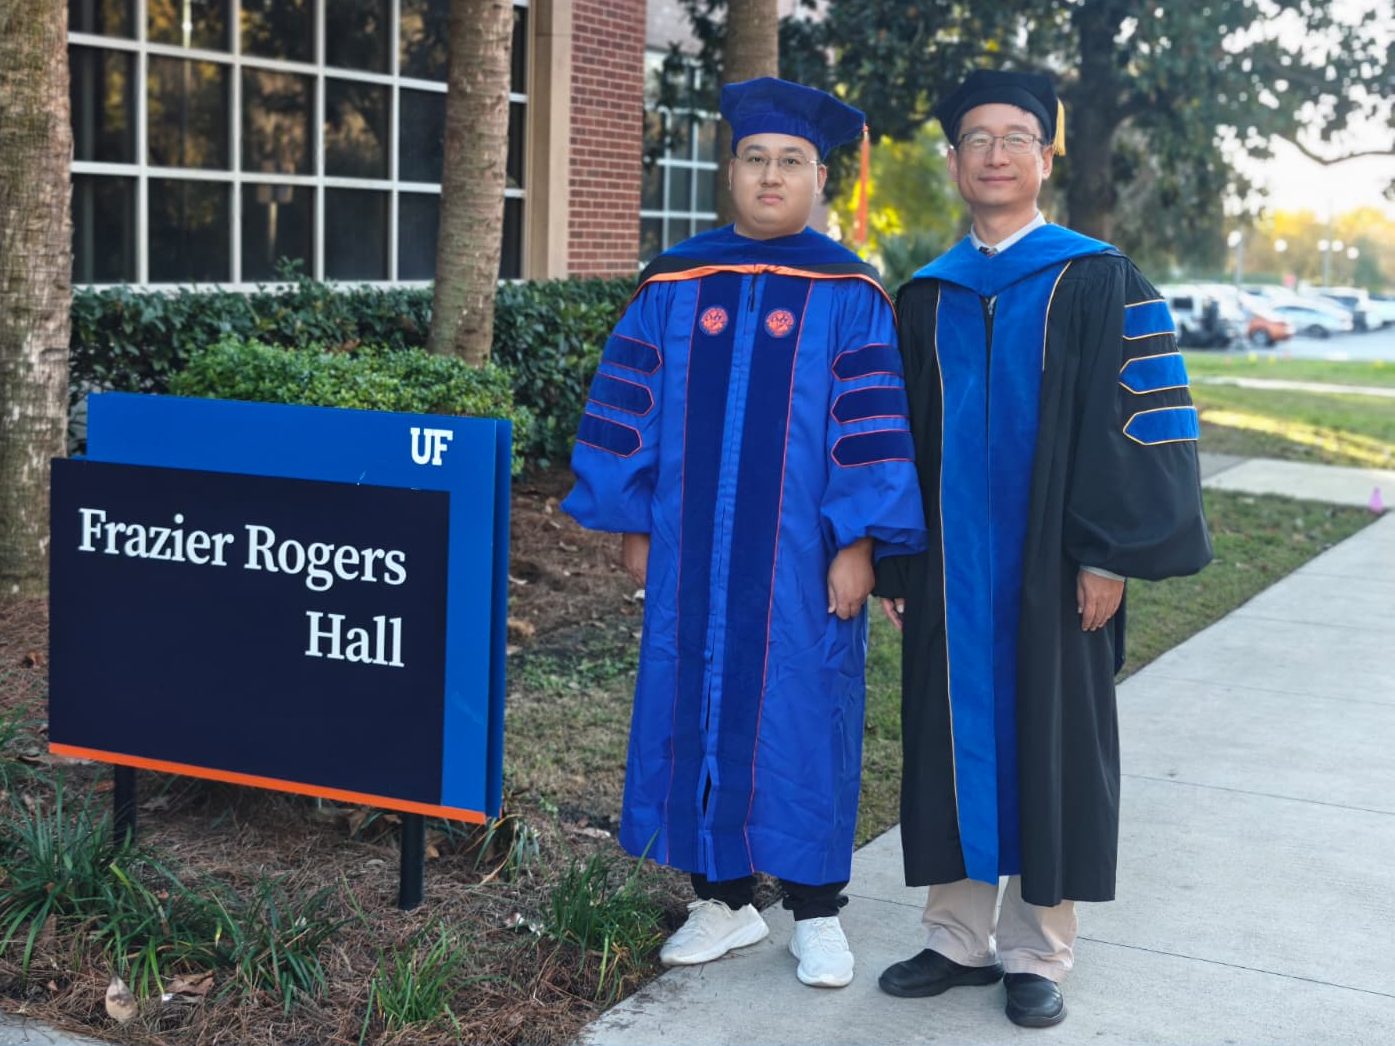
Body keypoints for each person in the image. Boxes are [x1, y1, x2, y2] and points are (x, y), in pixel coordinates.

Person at [563, 77, 926, 989]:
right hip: (691, 549)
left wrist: (859, 543)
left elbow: (872, 430)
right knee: (690, 706)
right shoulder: (673, 283)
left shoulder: (849, 293)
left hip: (800, 556)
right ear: (731, 172)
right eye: (755, 159)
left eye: (791, 162)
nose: (771, 176)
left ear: (819, 181)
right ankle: (722, 899)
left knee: (804, 714)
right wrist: (632, 518)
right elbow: (625, 409)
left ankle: (815, 911)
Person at [872, 69, 1212, 1027]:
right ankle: (953, 936)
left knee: (1054, 742)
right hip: (948, 570)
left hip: (1055, 569)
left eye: (1015, 136)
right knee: (947, 741)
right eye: (976, 137)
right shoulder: (925, 297)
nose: (993, 154)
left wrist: (1105, 553)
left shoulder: (1098, 279)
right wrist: (898, 558)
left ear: (1045, 156)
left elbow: (1135, 425)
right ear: (952, 159)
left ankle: (1037, 952)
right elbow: (896, 441)